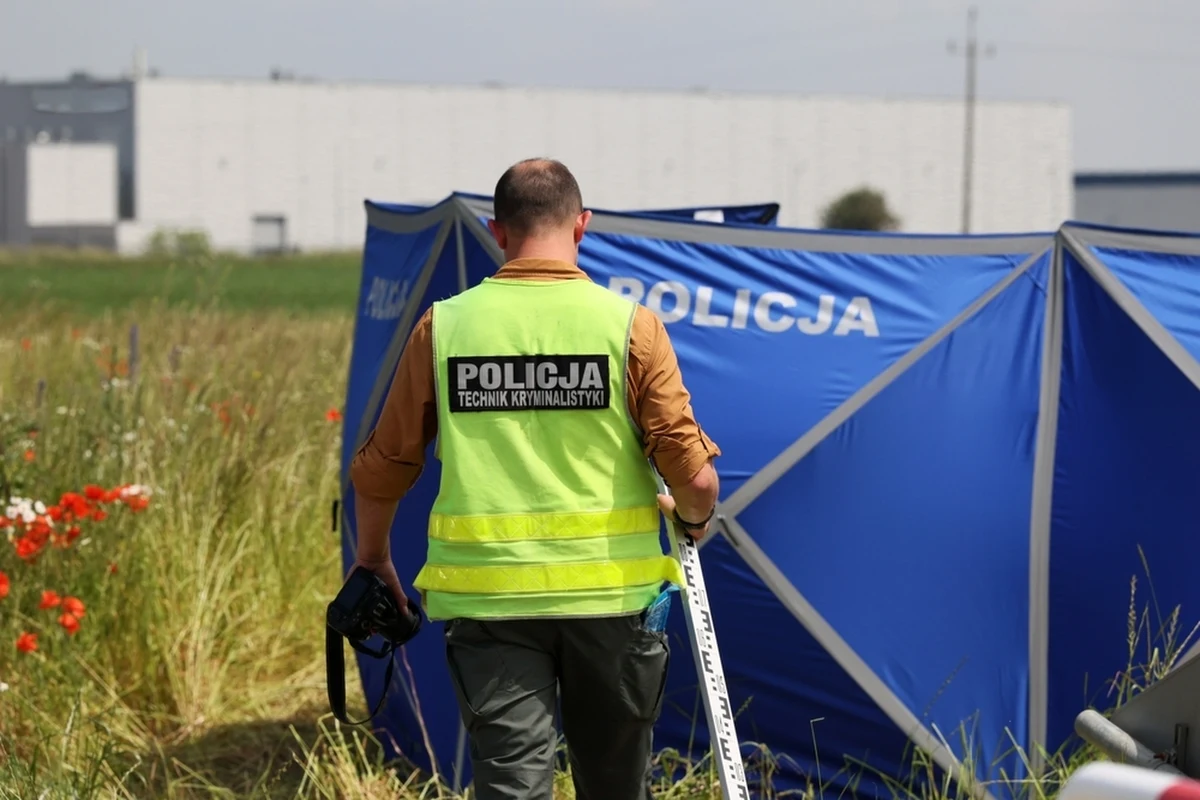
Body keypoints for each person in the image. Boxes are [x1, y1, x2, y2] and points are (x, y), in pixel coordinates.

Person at [347, 157, 721, 800]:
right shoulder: (630, 327)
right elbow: (694, 478)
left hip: (492, 608)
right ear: (582, 226)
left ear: (497, 230)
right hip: (614, 605)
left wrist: (373, 556)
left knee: (512, 786)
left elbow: (384, 467)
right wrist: (692, 518)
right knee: (614, 787)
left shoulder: (446, 327)